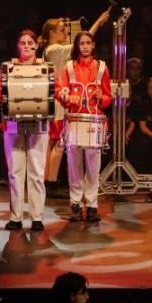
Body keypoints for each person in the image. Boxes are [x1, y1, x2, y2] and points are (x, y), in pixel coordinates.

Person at [39, 9, 111, 183]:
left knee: (53, 142)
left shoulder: (53, 50)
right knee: (57, 142)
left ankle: (47, 180)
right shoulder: (53, 49)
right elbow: (80, 43)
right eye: (63, 30)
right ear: (52, 33)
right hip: (57, 103)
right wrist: (99, 22)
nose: (66, 33)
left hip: (54, 100)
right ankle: (50, 181)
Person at [0, 30, 49, 231]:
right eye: (22, 42)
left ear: (36, 45)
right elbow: (0, 88)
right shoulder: (8, 67)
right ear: (18, 46)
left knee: (36, 171)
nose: (26, 45)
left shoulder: (45, 67)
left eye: (30, 42)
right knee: (15, 172)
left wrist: (64, 94)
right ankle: (15, 216)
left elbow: (54, 89)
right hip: (13, 123)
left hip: (39, 124)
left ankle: (37, 217)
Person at [55, 31, 112, 223]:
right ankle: (76, 204)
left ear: (93, 45)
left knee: (93, 166)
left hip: (94, 121)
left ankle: (93, 205)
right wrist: (67, 97)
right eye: (82, 43)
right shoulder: (69, 67)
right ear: (77, 46)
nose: (85, 46)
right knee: (74, 165)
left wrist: (100, 98)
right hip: (74, 119)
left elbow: (108, 98)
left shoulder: (102, 67)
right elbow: (60, 91)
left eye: (88, 43)